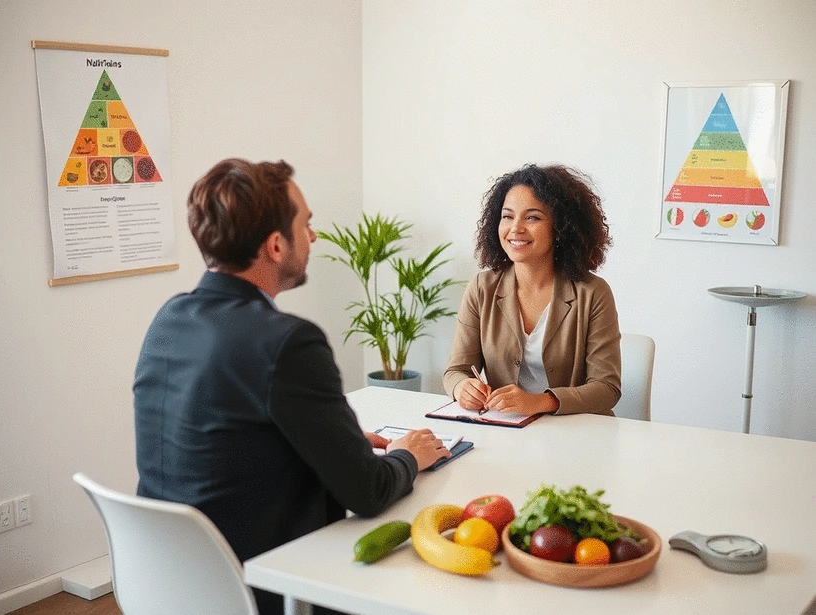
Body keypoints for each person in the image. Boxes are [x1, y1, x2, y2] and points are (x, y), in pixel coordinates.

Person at [134, 158, 450, 615]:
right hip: (264, 584)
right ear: (276, 245)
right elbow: (368, 492)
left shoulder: (169, 319)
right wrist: (408, 455)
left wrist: (333, 444)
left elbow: (222, 442)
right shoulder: (288, 341)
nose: (315, 237)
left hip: (169, 582)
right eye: (308, 224)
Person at [443, 163, 621, 417]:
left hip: (578, 434)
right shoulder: (481, 289)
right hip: (506, 430)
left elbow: (607, 388)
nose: (515, 228)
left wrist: (539, 402)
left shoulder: (593, 293)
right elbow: (455, 371)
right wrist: (462, 387)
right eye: (507, 216)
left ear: (560, 229)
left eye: (532, 217)